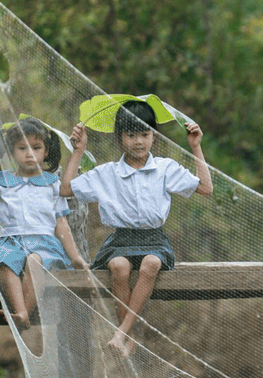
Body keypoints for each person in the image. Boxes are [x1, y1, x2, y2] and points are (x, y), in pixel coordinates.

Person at [60, 98, 212, 357]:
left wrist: (195, 147)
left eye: (145, 134)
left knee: (151, 264)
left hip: (154, 240)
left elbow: (206, 188)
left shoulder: (164, 168)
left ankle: (122, 333)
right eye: (131, 135)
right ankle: (127, 338)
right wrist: (78, 151)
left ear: (153, 136)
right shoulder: (107, 173)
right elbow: (65, 189)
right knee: (119, 266)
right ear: (120, 138)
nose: (139, 141)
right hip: (120, 241)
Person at [0, 117, 89, 330]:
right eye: (22, 148)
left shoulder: (52, 184)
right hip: (10, 242)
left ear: (46, 151)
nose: (29, 153)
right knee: (6, 262)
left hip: (44, 244)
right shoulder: (3, 181)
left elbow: (61, 223)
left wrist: (75, 257)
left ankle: (25, 312)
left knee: (35, 260)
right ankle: (20, 312)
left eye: (36, 147)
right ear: (12, 152)